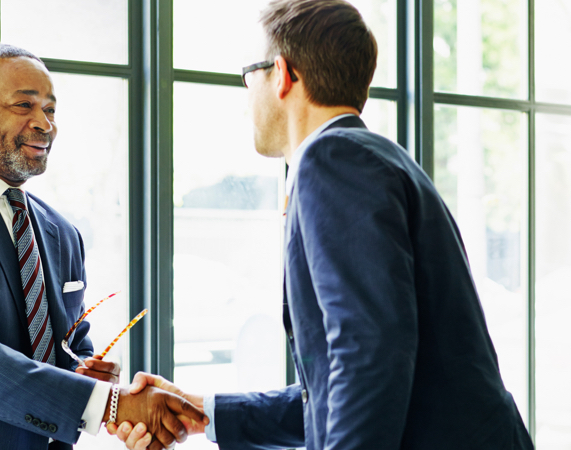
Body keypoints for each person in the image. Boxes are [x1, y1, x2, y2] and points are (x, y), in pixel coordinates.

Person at [113, 1, 534, 449]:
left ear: (282, 74)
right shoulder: (376, 158)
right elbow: (341, 390)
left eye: (248, 76)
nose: (246, 96)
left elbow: (368, 355)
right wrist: (201, 412)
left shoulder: (332, 160)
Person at [0, 43, 205, 450]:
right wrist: (112, 405)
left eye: (50, 109)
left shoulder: (62, 232)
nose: (45, 124)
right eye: (24, 105)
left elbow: (73, 348)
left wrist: (92, 379)